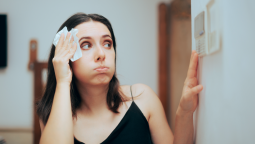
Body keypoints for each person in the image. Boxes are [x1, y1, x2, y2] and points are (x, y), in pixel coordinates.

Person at [37, 13, 203, 144]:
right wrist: (63, 81)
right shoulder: (54, 113)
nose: (101, 54)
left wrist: (185, 112)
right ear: (66, 57)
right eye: (86, 45)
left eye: (107, 43)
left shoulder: (143, 98)